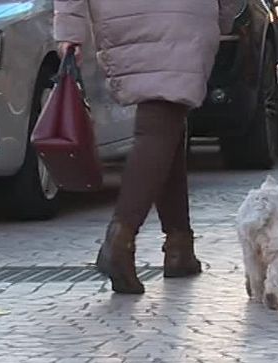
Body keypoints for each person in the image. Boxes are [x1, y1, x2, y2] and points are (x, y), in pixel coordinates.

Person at [54, 0, 241, 294]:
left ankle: (179, 244)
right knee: (161, 117)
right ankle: (120, 241)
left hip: (121, 16)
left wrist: (70, 31)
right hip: (185, 15)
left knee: (167, 116)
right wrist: (223, 17)